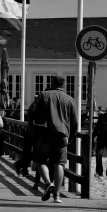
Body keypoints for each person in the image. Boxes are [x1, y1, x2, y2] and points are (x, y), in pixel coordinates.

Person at [29, 76, 77, 204]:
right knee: (59, 164)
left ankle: (48, 183)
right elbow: (75, 122)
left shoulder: (43, 95)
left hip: (45, 134)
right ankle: (57, 196)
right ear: (64, 85)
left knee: (40, 160)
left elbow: (31, 113)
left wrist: (35, 129)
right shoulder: (70, 100)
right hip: (62, 135)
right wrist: (70, 137)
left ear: (51, 84)